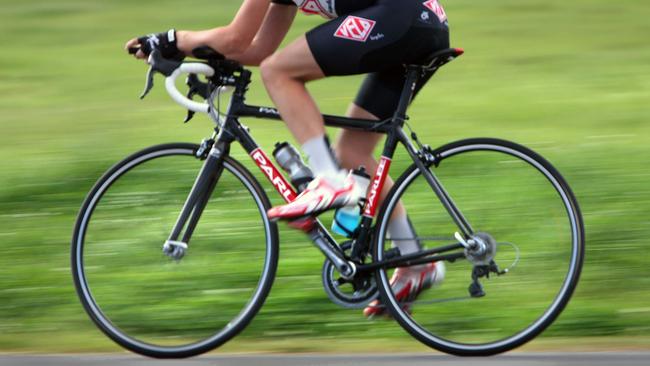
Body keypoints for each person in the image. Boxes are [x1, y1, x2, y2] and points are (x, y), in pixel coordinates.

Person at [126, 0, 449, 316]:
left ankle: (330, 182)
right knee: (353, 153)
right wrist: (190, 51)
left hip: (400, 16)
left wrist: (172, 39)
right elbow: (255, 49)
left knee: (278, 72)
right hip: (420, 22)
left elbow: (236, 38)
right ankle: (415, 262)